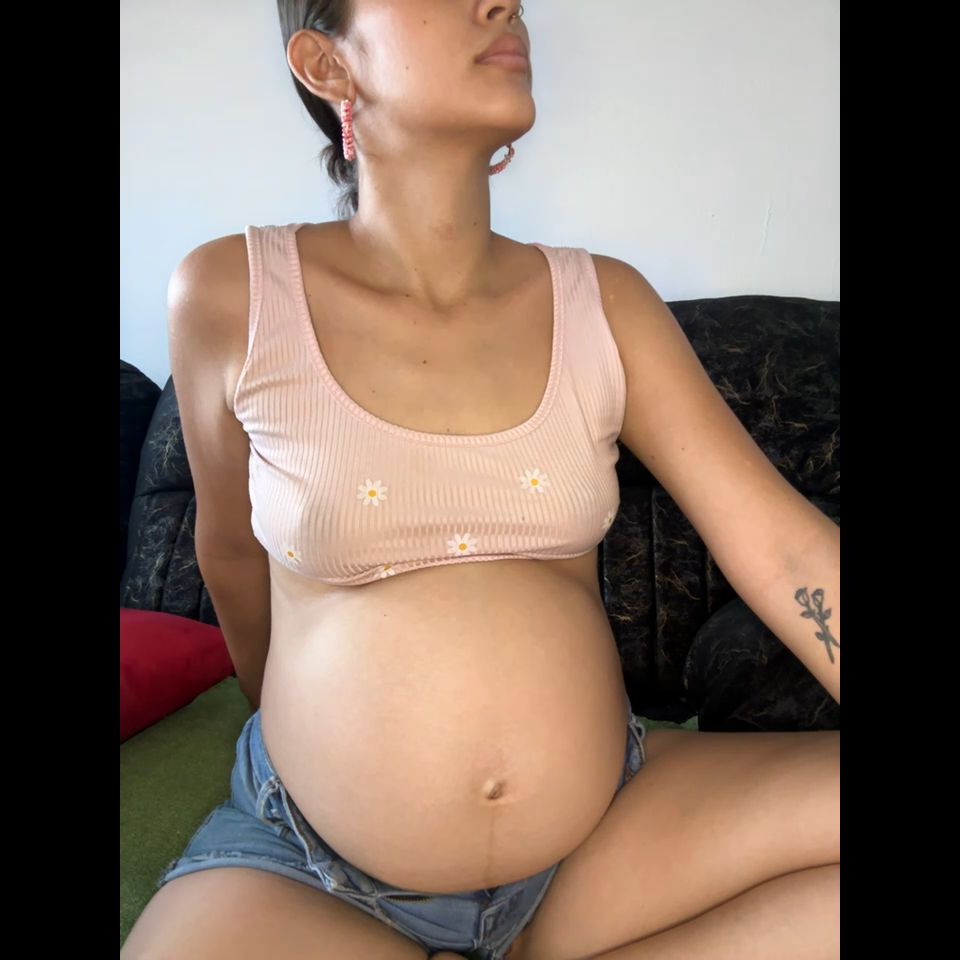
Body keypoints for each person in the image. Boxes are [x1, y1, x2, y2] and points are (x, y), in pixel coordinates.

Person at [122, 3, 840, 959]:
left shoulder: (606, 303)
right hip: (314, 873)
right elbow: (227, 551)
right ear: (326, 64)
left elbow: (784, 549)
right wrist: (320, 741)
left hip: (605, 842)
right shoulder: (232, 294)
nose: (503, 3)